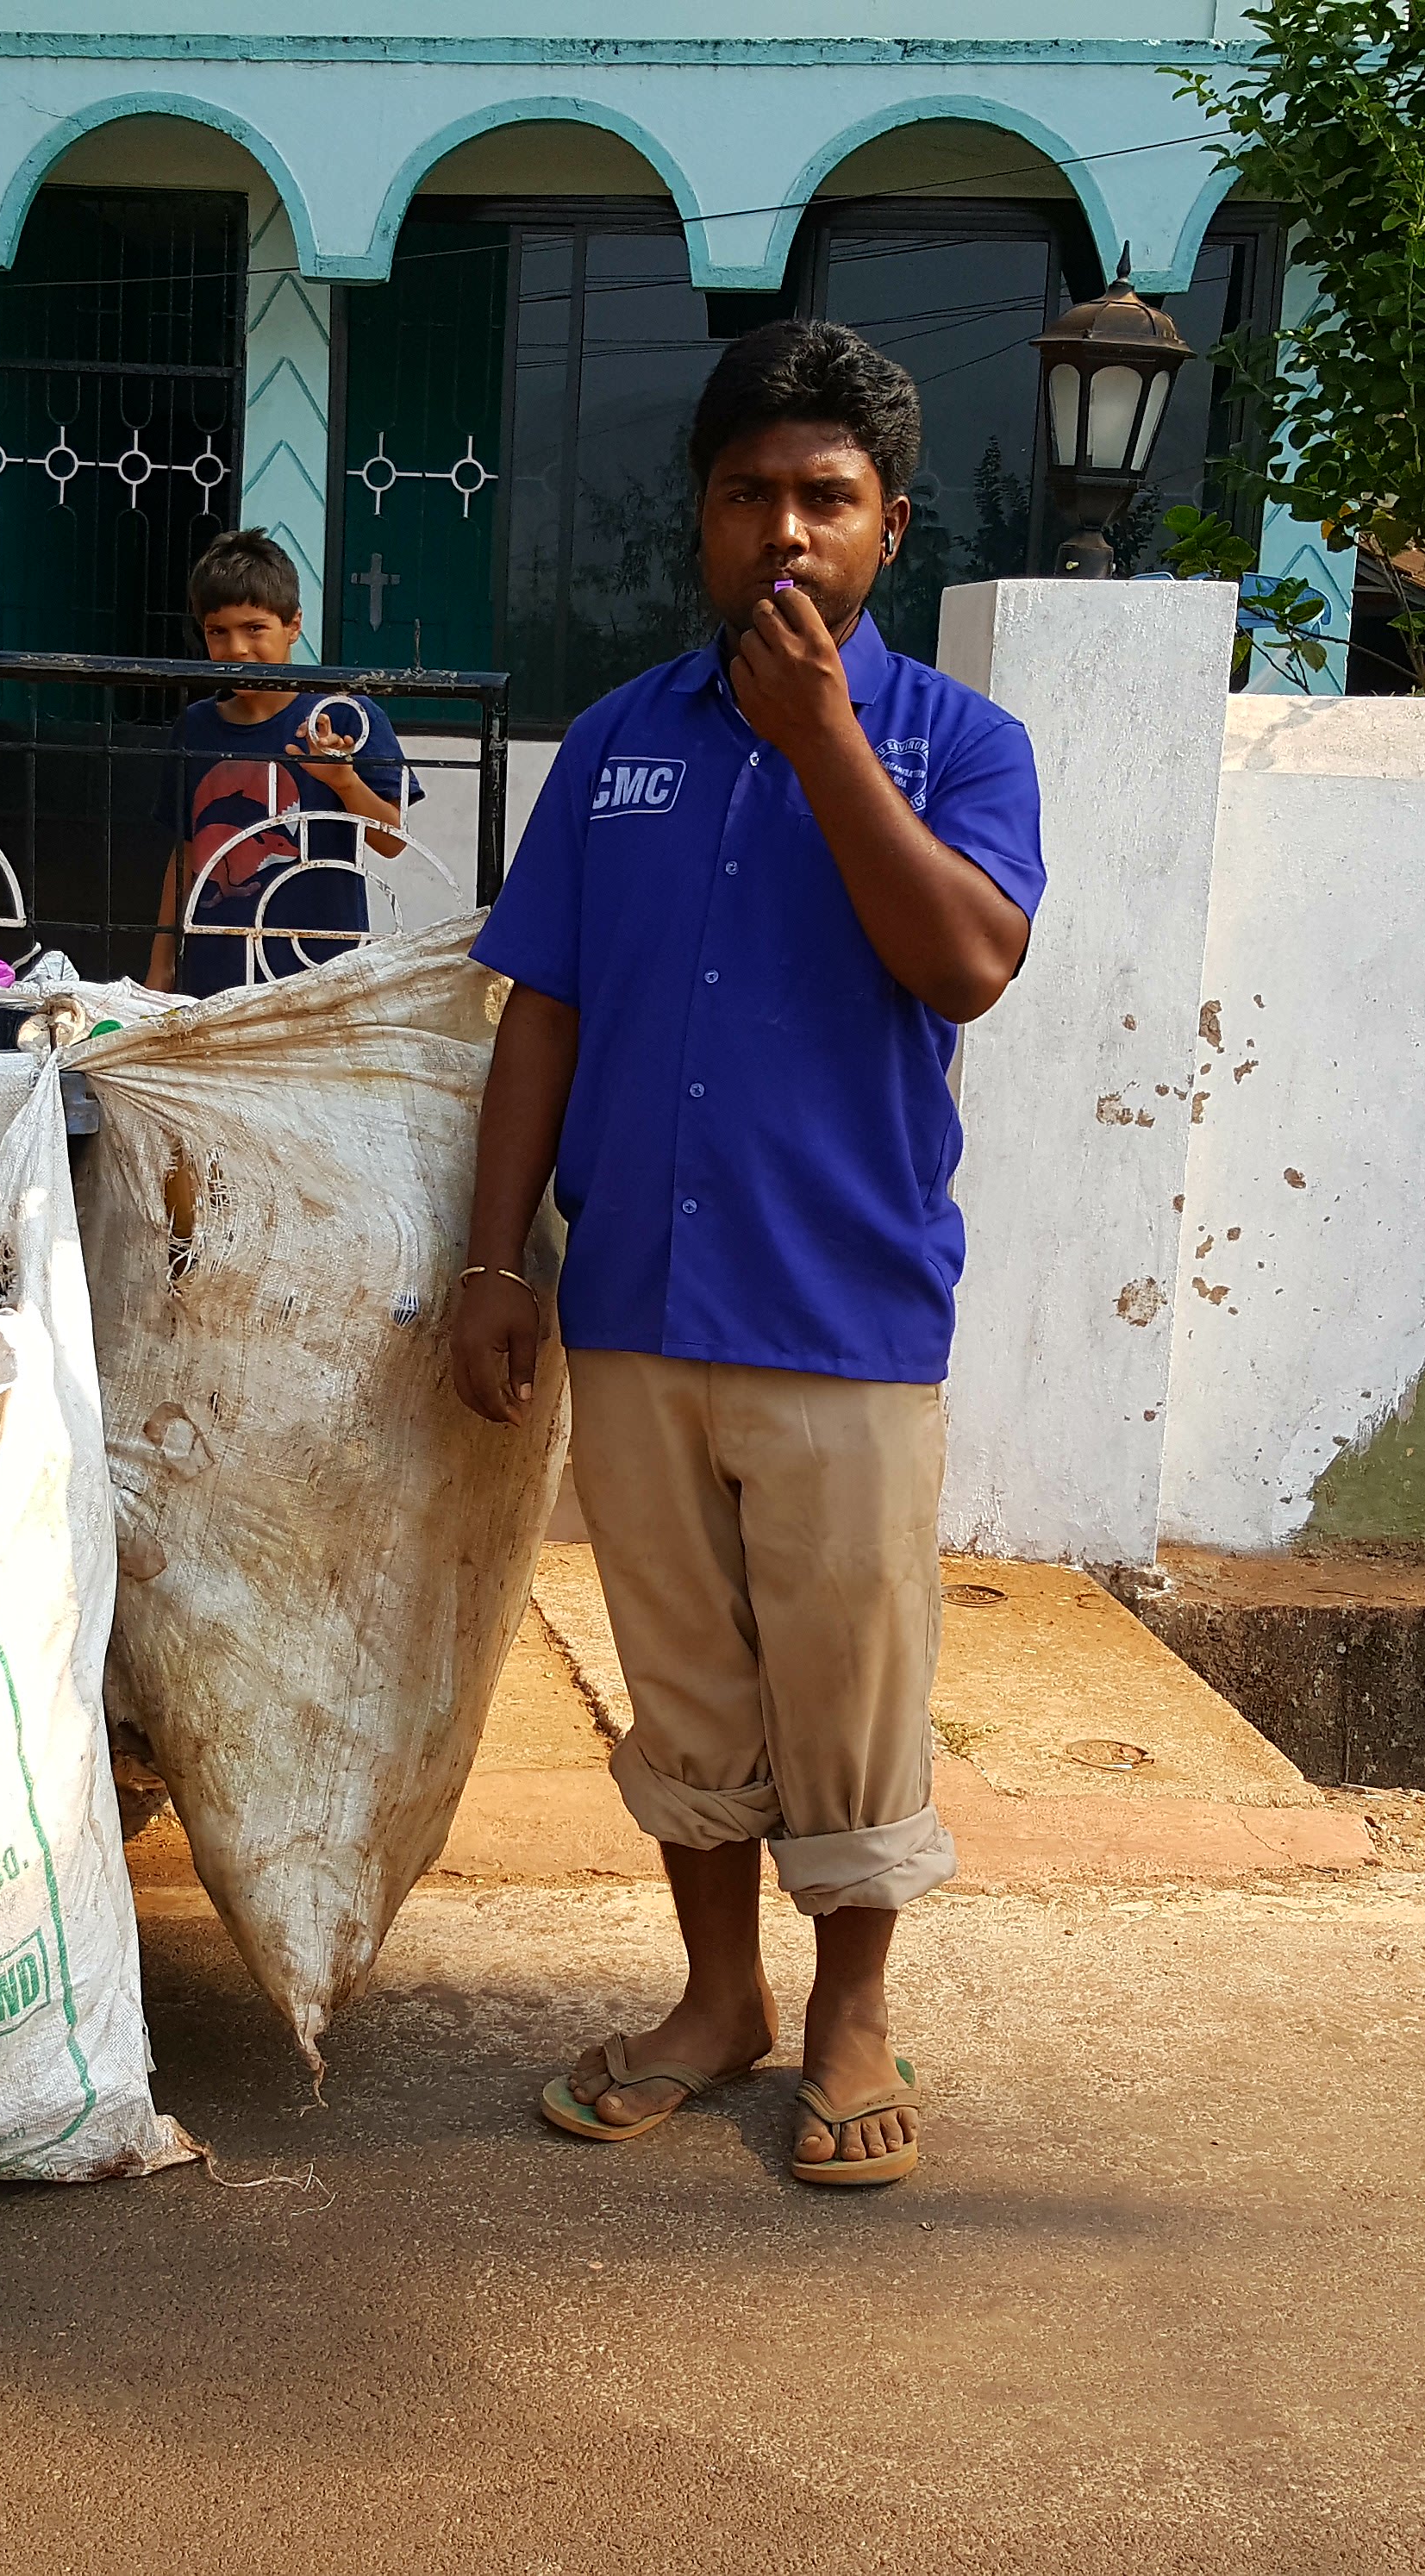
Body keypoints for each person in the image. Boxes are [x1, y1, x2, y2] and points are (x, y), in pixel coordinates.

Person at [452, 321, 1041, 2190]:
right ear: (697, 520)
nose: (784, 532)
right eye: (748, 495)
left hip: (842, 1314)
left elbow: (964, 963)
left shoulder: (963, 743)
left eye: (826, 499)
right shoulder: (618, 745)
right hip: (631, 1305)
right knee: (686, 1682)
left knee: (848, 1684)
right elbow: (537, 1008)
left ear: (887, 530)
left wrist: (825, 744)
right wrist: (492, 1263)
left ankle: (852, 2013)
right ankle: (719, 2001)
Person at [151, 528, 416, 997]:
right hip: (215, 970)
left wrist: (343, 780)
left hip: (322, 970)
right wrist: (162, 968)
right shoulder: (195, 727)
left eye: (255, 628)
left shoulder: (346, 716)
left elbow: (391, 842)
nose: (237, 649)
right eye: (218, 632)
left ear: (293, 624)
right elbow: (184, 854)